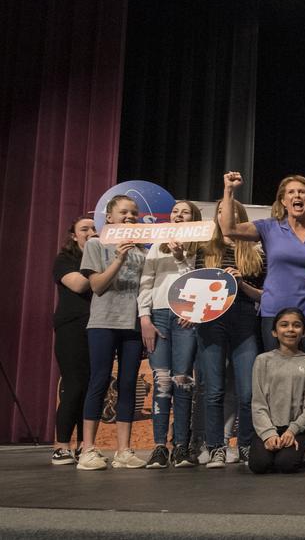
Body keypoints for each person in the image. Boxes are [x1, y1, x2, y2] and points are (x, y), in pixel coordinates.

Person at [76, 195, 147, 470]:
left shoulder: (142, 252)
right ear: (110, 217)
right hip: (104, 322)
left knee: (128, 384)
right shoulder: (96, 244)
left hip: (131, 326)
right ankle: (88, 449)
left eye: (134, 214)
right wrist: (118, 259)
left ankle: (124, 451)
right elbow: (97, 286)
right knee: (99, 381)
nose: (129, 217)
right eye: (124, 213)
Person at [218, 172, 305, 352]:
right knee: (274, 373)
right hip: (274, 312)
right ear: (283, 201)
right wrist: (229, 190)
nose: (297, 196)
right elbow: (228, 228)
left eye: (302, 192)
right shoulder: (269, 227)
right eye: (291, 192)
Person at [199, 199, 266, 467]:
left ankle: (246, 445)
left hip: (244, 317)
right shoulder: (205, 249)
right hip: (211, 320)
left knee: (247, 392)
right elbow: (191, 291)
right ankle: (216, 446)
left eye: (234, 213)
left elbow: (262, 294)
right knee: (213, 389)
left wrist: (241, 283)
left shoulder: (255, 253)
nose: (226, 216)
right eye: (222, 212)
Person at [139, 201, 202, 469]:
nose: (178, 215)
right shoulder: (157, 246)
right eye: (175, 211)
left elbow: (195, 283)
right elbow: (146, 282)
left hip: (185, 317)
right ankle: (158, 447)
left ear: (194, 219)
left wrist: (179, 257)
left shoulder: (199, 248)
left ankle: (181, 446)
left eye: (184, 212)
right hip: (159, 316)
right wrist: (144, 317)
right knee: (162, 380)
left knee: (182, 380)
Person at [249, 308, 305, 474]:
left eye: (296, 325)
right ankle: (274, 445)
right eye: (284, 325)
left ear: (304, 332)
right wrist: (268, 434)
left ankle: (301, 455)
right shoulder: (262, 361)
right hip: (269, 426)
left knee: (286, 464)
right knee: (259, 465)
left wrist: (293, 430)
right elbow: (258, 402)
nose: (290, 329)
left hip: (298, 429)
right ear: (275, 332)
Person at [51, 214, 96, 466]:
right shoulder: (65, 259)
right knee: (75, 384)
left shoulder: (102, 257)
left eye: (94, 228)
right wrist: (99, 265)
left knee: (91, 387)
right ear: (74, 235)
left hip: (97, 327)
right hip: (72, 326)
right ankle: (61, 445)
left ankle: (83, 445)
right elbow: (78, 285)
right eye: (84, 228)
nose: (91, 232)